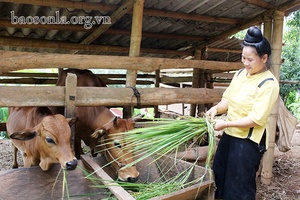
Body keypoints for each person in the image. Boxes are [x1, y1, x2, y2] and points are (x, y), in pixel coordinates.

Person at [206, 26, 279, 200]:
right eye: (243, 58)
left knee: (239, 185)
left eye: (250, 60)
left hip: (248, 141)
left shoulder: (268, 83)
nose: (245, 63)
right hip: (230, 135)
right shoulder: (240, 74)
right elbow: (228, 100)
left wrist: (226, 124)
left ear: (264, 58)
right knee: (220, 174)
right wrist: (216, 109)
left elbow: (255, 119)